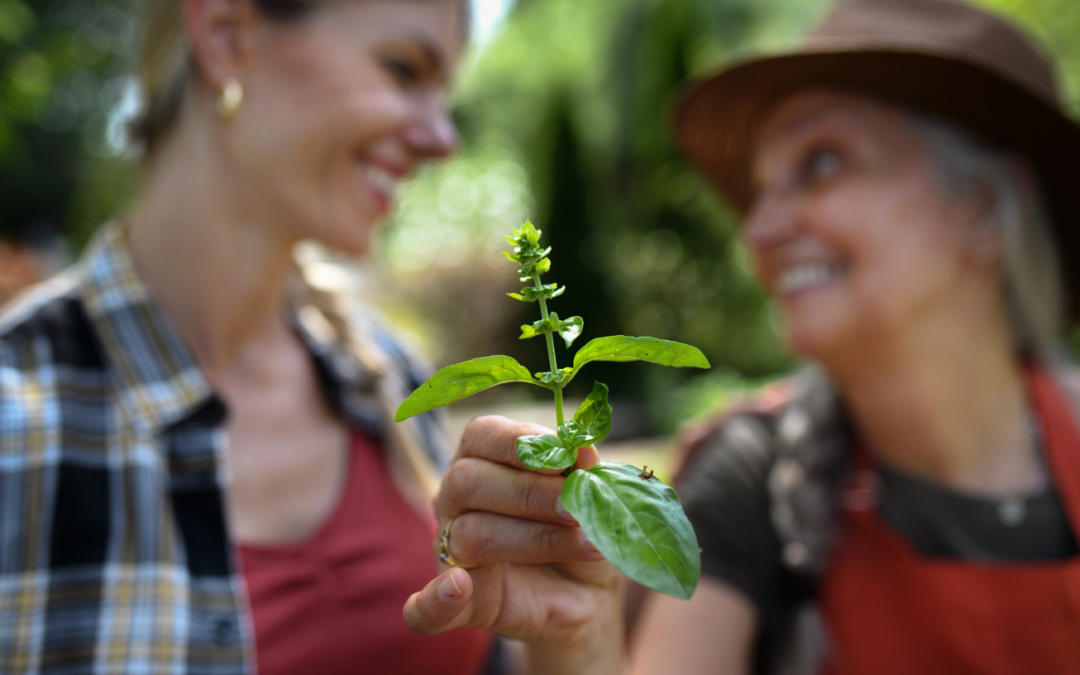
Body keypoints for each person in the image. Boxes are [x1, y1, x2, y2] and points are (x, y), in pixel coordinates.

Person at [402, 0, 1080, 673]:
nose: (759, 229)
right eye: (760, 189)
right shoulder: (752, 476)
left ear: (981, 206)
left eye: (821, 162)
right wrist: (575, 643)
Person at [0, 0, 501, 673]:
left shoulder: (392, 380)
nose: (442, 139)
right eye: (403, 69)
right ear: (228, 37)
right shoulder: (17, 417)